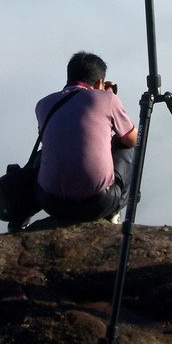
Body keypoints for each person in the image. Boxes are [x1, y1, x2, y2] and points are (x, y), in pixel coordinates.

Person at [34, 51, 138, 225]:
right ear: (100, 82)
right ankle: (114, 211)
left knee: (47, 150)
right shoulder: (107, 99)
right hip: (97, 203)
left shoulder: (43, 104)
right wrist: (110, 95)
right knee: (125, 145)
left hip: (50, 202)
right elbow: (133, 139)